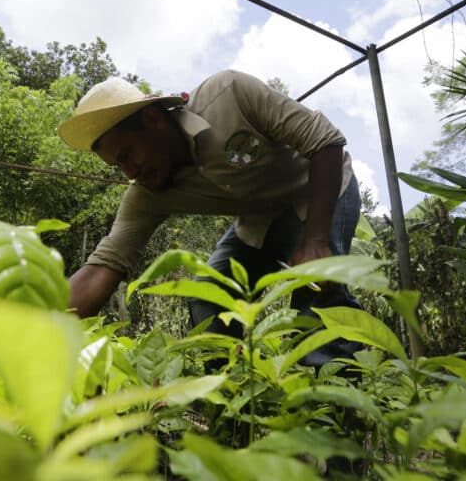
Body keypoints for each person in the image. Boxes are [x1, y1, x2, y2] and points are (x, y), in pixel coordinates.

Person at [57, 69, 362, 367]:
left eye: (127, 154)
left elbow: (325, 140)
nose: (130, 172)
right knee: (207, 296)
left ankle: (339, 404)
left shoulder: (229, 96)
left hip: (320, 190)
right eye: (118, 165)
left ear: (152, 120)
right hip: (259, 219)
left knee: (319, 284)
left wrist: (316, 240)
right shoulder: (147, 195)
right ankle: (231, 400)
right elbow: (102, 268)